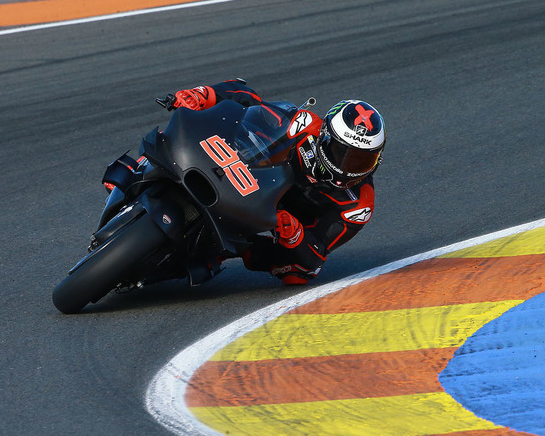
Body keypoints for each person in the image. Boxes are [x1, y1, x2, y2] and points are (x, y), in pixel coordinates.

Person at [156, 78, 386, 285]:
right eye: (341, 152)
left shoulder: (358, 204)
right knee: (163, 146)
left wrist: (296, 236)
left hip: (274, 220)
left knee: (298, 274)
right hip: (241, 177)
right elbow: (246, 96)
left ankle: (228, 250)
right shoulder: (303, 124)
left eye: (362, 159)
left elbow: (316, 255)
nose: (348, 167)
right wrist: (201, 95)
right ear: (325, 137)